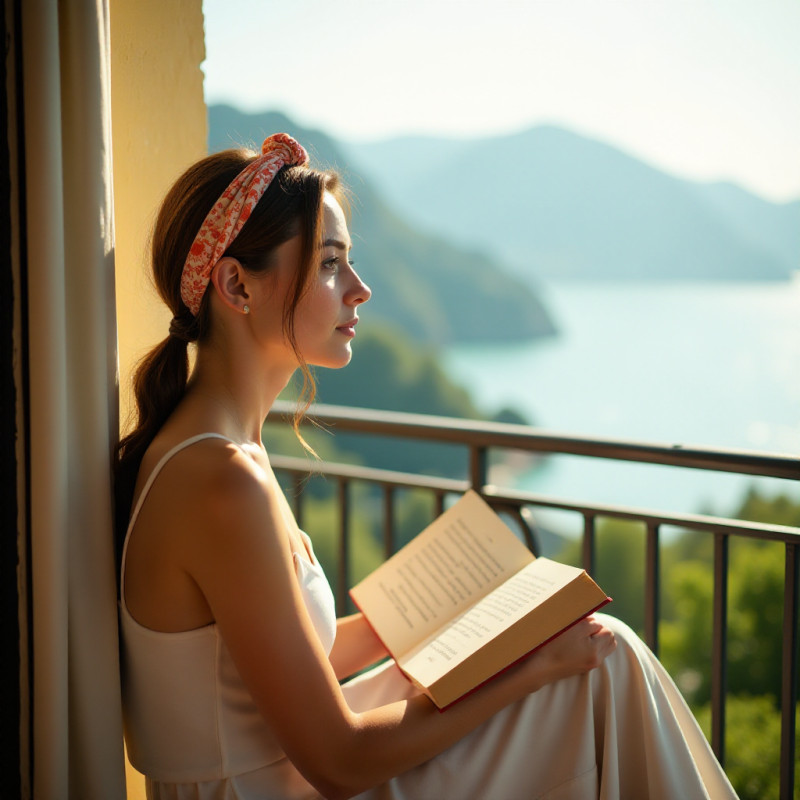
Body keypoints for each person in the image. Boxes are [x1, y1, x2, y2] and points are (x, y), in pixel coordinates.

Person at [115, 133, 738, 800]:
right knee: (597, 666)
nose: (360, 289)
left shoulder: (224, 450)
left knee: (593, 657)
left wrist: (445, 610)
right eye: (331, 266)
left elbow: (280, 667)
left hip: (282, 777)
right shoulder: (222, 481)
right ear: (237, 284)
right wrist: (531, 667)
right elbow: (339, 760)